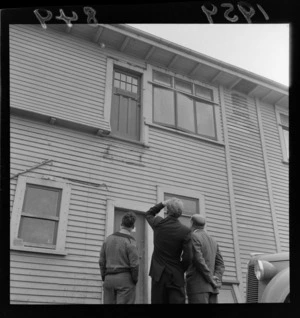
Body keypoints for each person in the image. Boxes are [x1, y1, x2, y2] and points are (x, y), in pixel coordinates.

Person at [145, 198, 191, 304]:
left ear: (168, 211)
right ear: (180, 213)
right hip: (176, 275)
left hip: (158, 274)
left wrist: (162, 204)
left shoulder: (158, 223)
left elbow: (149, 213)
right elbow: (188, 257)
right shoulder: (185, 231)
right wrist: (180, 269)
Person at [99, 212, 139, 304]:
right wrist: (134, 280)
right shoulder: (131, 241)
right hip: (125, 281)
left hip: (109, 279)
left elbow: (101, 261)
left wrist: (104, 277)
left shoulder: (108, 239)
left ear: (121, 224)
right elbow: (135, 265)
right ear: (132, 227)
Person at [186, 214, 225, 304]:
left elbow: (198, 260)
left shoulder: (193, 236)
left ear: (192, 223)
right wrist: (216, 278)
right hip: (213, 288)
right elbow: (220, 264)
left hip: (198, 287)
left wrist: (210, 278)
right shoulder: (213, 240)